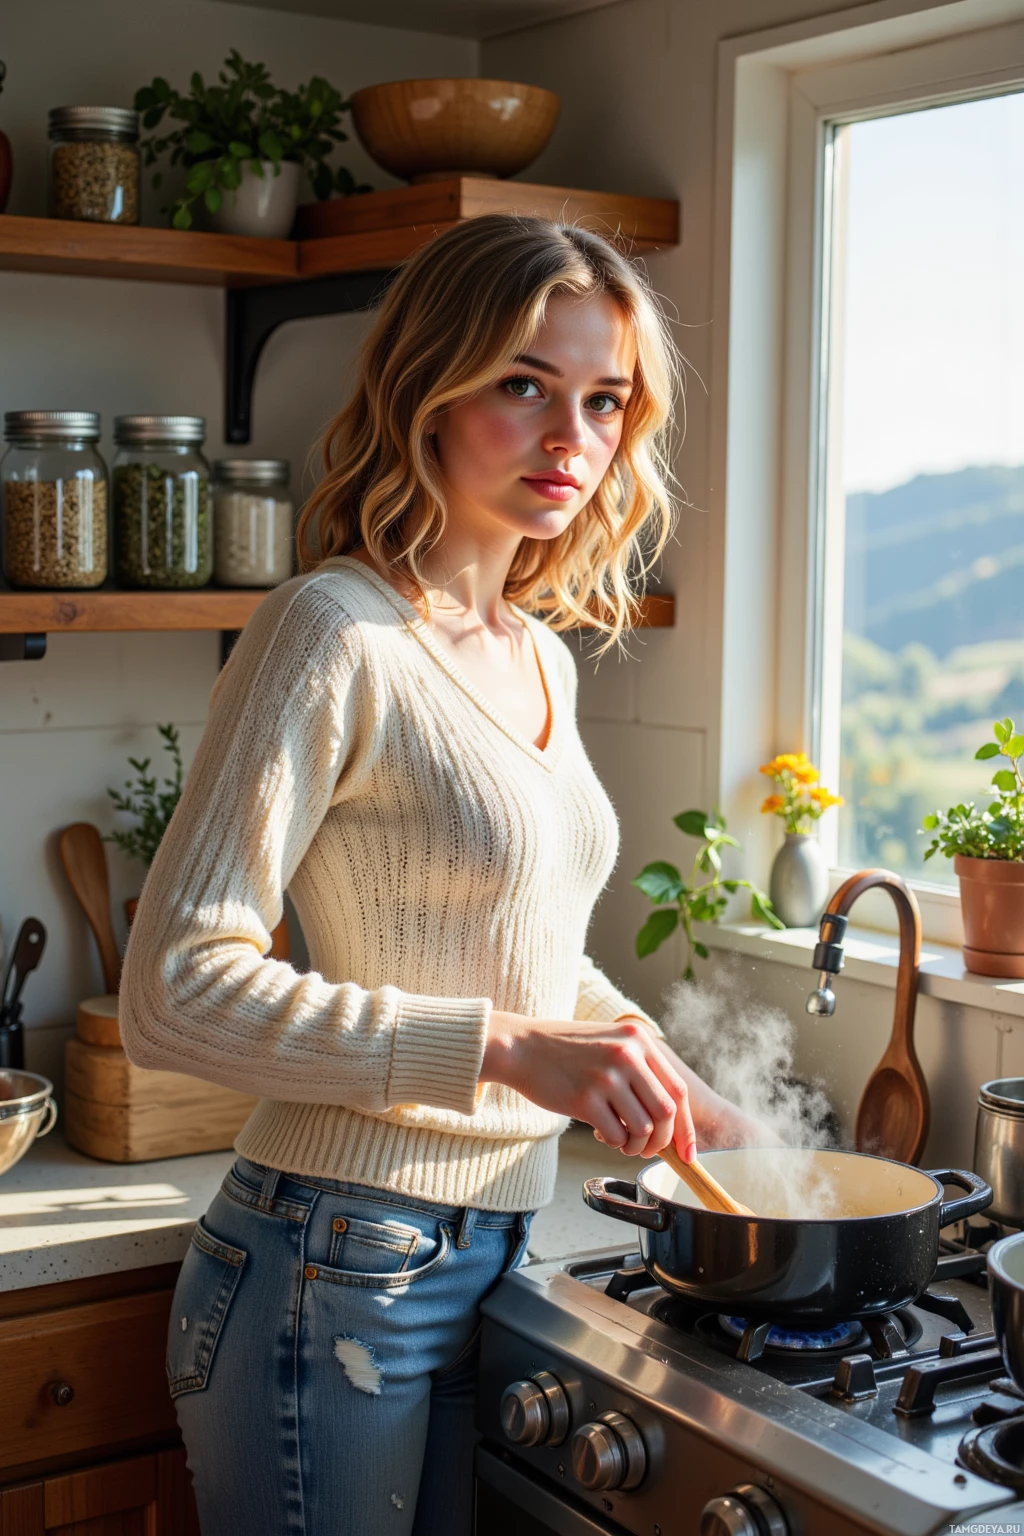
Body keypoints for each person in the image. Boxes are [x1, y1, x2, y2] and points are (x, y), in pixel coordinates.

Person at [120, 214, 768, 1536]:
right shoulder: (332, 632)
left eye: (603, 400)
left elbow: (526, 955)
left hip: (501, 1249)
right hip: (331, 1260)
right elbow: (173, 992)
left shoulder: (537, 654)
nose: (570, 438)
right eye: (524, 384)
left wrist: (700, 1103)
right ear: (431, 385)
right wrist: (507, 1050)